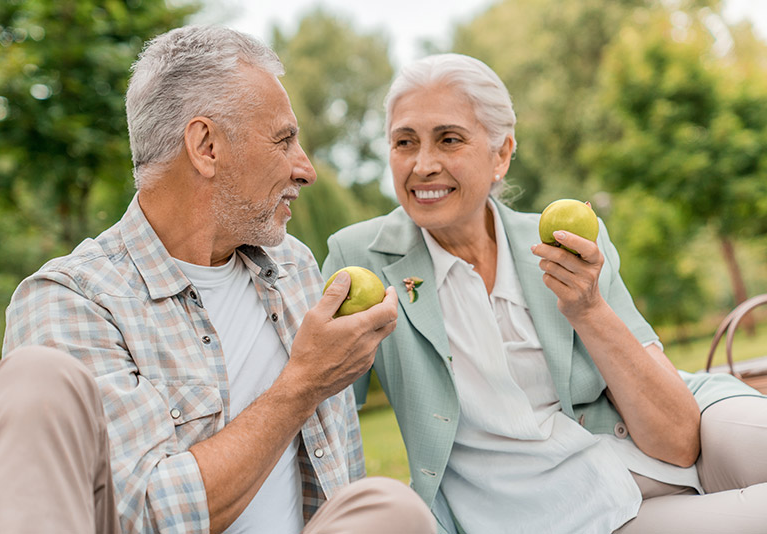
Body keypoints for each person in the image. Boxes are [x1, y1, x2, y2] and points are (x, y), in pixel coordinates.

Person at [0, 25, 437, 534]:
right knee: (34, 374)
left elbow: (338, 477)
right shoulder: (71, 301)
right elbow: (144, 514)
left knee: (392, 510)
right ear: (206, 145)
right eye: (284, 141)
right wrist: (302, 383)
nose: (306, 169)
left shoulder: (295, 268)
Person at [322, 53, 767, 534]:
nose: (423, 165)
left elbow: (678, 439)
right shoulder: (360, 257)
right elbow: (322, 406)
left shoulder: (563, 243)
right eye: (404, 142)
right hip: (558, 508)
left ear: (501, 153)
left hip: (648, 447)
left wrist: (588, 308)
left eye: (449, 139)